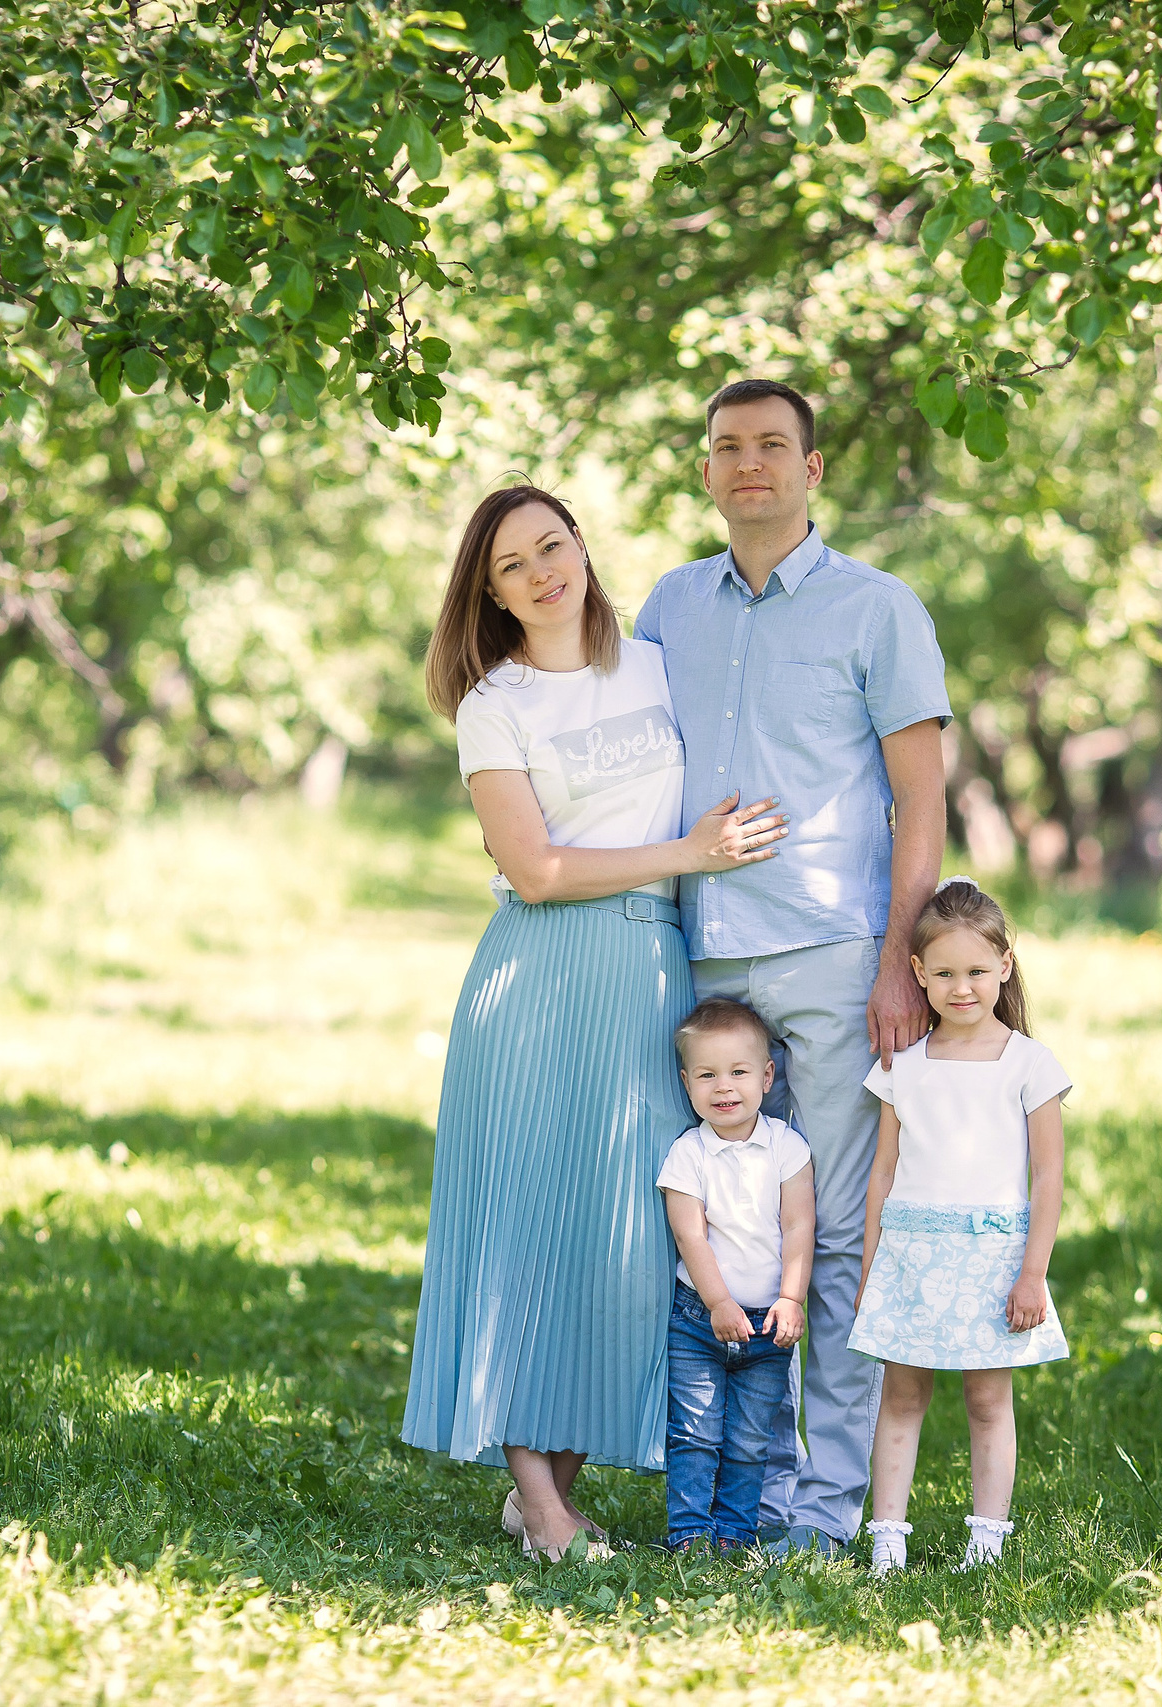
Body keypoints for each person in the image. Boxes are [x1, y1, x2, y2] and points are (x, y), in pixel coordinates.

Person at [399, 483, 790, 1562]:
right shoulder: (496, 702)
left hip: (648, 967)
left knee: (621, 1236)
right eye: (512, 565)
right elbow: (533, 867)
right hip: (541, 972)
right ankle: (549, 1512)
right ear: (489, 592)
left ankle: (541, 1494)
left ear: (582, 548)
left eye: (552, 546)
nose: (541, 573)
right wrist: (689, 855)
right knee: (529, 1224)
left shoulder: (655, 664)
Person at [632, 378, 951, 1557]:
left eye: (773, 445)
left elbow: (920, 795)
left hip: (830, 952)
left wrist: (898, 966)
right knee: (709, 1226)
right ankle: (732, 1496)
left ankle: (816, 1519)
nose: (748, 462)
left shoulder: (878, 610)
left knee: (835, 1246)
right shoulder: (668, 606)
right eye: (727, 446)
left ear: (814, 470)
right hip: (699, 951)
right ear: (706, 471)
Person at [851, 879, 1072, 1577]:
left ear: (1005, 963)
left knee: (986, 1394)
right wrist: (870, 1268)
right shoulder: (902, 1069)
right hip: (912, 1256)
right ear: (918, 973)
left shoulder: (1030, 1065)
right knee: (903, 1393)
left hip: (995, 1259)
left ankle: (987, 1541)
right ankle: (887, 1536)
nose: (962, 986)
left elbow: (1048, 1177)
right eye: (944, 972)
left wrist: (1032, 1270)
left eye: (977, 970)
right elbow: (881, 1174)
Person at [656, 997, 815, 1554]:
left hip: (769, 1324)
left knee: (752, 1438)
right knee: (695, 1432)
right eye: (707, 1075)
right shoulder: (687, 1154)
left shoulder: (787, 1148)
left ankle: (735, 1533)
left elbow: (798, 1228)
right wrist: (719, 1303)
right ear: (687, 1082)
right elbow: (690, 1236)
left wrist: (792, 1298)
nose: (724, 1087)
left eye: (739, 1072)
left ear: (768, 1076)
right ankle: (691, 1532)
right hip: (700, 1319)